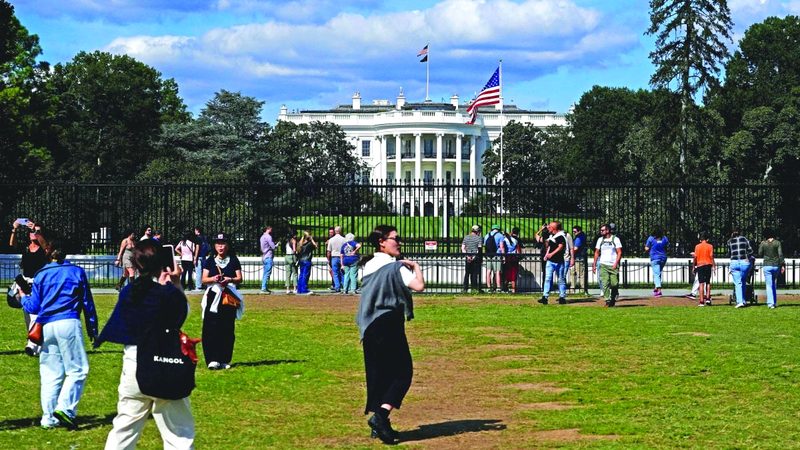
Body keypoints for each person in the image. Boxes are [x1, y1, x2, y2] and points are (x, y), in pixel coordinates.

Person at [96, 239, 195, 449]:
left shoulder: (129, 292)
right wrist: (175, 284)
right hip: (164, 364)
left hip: (133, 365)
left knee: (123, 430)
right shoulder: (167, 294)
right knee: (178, 434)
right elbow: (181, 316)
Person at [20, 229, 99, 429]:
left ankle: (48, 418)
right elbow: (87, 304)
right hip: (69, 322)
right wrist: (92, 328)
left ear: (47, 251)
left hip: (46, 325)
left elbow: (33, 307)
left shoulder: (41, 274)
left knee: (50, 373)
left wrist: (22, 296)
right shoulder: (76, 272)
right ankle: (65, 408)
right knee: (78, 369)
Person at [356, 225, 425, 444]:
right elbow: (419, 286)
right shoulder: (396, 268)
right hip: (389, 323)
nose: (399, 242)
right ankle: (380, 416)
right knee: (403, 373)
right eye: (395, 238)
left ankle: (381, 426)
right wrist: (416, 267)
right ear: (382, 242)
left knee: (380, 374)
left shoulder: (368, 266)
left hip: (369, 326)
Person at [201, 233, 243, 370]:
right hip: (214, 296)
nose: (221, 246)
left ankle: (224, 358)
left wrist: (229, 279)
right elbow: (204, 279)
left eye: (223, 243)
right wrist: (214, 279)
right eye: (218, 244)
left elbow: (239, 278)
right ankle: (212, 359)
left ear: (228, 245)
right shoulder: (210, 260)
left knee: (227, 328)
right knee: (210, 327)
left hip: (228, 297)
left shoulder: (234, 260)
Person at [10, 219, 48, 356]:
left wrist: (36, 232)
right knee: (27, 313)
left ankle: (32, 345)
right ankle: (35, 341)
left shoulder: (43, 248)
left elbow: (46, 247)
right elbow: (12, 244)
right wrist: (14, 229)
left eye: (37, 231)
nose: (33, 233)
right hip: (25, 284)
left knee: (35, 313)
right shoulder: (26, 247)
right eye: (31, 231)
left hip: (38, 284)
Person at [592, 224, 623, 307]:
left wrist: (616, 263)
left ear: (608, 230)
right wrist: (594, 264)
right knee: (604, 283)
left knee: (614, 284)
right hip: (603, 264)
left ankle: (613, 298)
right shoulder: (600, 240)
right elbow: (596, 252)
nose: (601, 232)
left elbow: (619, 252)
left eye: (602, 230)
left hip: (613, 265)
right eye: (600, 230)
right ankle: (607, 300)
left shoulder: (615, 239)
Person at [538, 221, 568, 305]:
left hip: (559, 261)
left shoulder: (560, 236)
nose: (548, 228)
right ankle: (545, 296)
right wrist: (547, 254)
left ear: (554, 228)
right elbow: (550, 247)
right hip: (550, 261)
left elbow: (560, 247)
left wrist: (551, 254)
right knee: (547, 278)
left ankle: (562, 297)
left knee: (561, 279)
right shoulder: (552, 236)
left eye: (550, 227)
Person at [727, 228, 754, 309]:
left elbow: (729, 253)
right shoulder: (744, 239)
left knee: (738, 283)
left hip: (734, 262)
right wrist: (747, 257)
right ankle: (743, 300)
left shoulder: (729, 241)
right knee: (743, 281)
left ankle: (740, 301)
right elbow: (750, 251)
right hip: (744, 262)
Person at [758, 228, 784, 309]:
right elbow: (780, 254)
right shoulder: (777, 243)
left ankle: (770, 303)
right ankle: (774, 301)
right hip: (776, 265)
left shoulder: (763, 243)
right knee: (773, 284)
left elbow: (760, 253)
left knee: (769, 285)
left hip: (767, 265)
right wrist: (782, 265)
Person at [645, 227, 669, 297]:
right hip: (663, 257)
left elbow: (647, 248)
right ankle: (656, 287)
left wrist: (647, 248)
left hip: (655, 258)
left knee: (656, 274)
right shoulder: (664, 238)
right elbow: (667, 246)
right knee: (658, 272)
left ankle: (659, 290)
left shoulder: (651, 238)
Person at [693, 232, 714, 306]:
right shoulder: (710, 246)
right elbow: (711, 256)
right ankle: (708, 298)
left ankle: (701, 301)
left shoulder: (697, 246)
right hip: (708, 264)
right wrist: (714, 265)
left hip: (700, 265)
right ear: (707, 239)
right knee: (708, 282)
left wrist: (693, 266)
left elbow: (695, 257)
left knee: (701, 283)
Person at [461, 225, 483, 293]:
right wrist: (473, 257)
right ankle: (474, 288)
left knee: (467, 273)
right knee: (474, 273)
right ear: (477, 231)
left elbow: (463, 248)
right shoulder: (479, 238)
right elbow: (479, 249)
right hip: (475, 258)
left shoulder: (466, 237)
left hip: (467, 258)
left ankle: (465, 288)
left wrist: (467, 256)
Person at [483, 224, 505, 292]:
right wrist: (504, 256)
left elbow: (485, 246)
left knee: (488, 271)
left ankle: (488, 287)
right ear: (498, 229)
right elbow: (501, 247)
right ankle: (498, 287)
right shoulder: (500, 235)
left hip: (488, 255)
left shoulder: (486, 235)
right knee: (497, 272)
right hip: (497, 255)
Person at [296, 231, 318, 295]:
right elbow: (316, 246)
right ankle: (304, 289)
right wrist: (312, 239)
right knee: (305, 275)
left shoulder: (300, 244)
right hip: (307, 260)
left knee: (301, 275)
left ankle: (299, 289)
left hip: (301, 260)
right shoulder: (309, 244)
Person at [327, 226, 347, 293]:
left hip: (334, 257)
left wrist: (328, 259)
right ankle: (345, 287)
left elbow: (328, 251)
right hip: (342, 257)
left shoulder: (331, 240)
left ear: (335, 231)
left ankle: (337, 287)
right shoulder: (344, 239)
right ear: (340, 231)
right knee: (343, 273)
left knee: (335, 273)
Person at [570, 226, 589, 296]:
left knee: (578, 274)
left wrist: (570, 255)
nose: (574, 233)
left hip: (578, 257)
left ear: (579, 231)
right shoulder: (581, 236)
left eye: (575, 231)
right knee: (576, 273)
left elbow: (575, 248)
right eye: (573, 231)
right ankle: (577, 289)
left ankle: (580, 289)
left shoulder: (579, 237)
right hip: (578, 257)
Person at [503, 227, 522, 293]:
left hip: (507, 257)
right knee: (513, 274)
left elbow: (503, 248)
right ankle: (514, 290)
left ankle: (505, 288)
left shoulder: (505, 239)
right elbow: (518, 251)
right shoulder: (515, 240)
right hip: (514, 257)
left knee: (507, 273)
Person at [259, 226, 277, 294]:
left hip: (264, 256)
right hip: (268, 256)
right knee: (267, 273)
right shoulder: (268, 237)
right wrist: (276, 245)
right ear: (267, 229)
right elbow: (273, 247)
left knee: (265, 273)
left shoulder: (262, 237)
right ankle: (263, 288)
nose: (271, 230)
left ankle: (265, 287)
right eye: (270, 229)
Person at [193, 227, 209, 292]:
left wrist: (195, 258)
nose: (194, 232)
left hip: (199, 257)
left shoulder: (198, 238)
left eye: (195, 230)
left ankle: (198, 286)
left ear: (197, 230)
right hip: (204, 256)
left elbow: (197, 248)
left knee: (198, 272)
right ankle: (204, 285)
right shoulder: (204, 237)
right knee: (203, 271)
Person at [284, 229, 298, 294]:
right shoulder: (293, 240)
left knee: (288, 273)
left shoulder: (287, 240)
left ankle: (287, 288)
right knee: (295, 273)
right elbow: (294, 250)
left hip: (286, 257)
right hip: (292, 256)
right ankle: (295, 288)